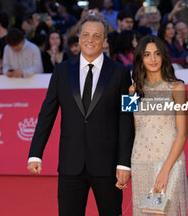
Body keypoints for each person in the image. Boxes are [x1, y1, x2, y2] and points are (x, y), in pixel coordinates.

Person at [27, 15, 135, 216]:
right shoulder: (61, 71)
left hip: (108, 165)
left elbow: (127, 119)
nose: (90, 40)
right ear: (78, 38)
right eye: (85, 34)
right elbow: (47, 114)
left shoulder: (121, 72)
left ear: (105, 41)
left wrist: (124, 163)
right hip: (70, 164)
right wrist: (35, 153)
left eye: (97, 36)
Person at [130, 35, 188, 215]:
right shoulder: (132, 90)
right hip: (140, 161)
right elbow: (133, 130)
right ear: (140, 58)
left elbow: (182, 134)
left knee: (166, 212)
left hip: (170, 161)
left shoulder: (177, 88)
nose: (153, 59)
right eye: (147, 54)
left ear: (164, 56)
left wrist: (165, 169)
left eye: (157, 54)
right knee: (145, 212)